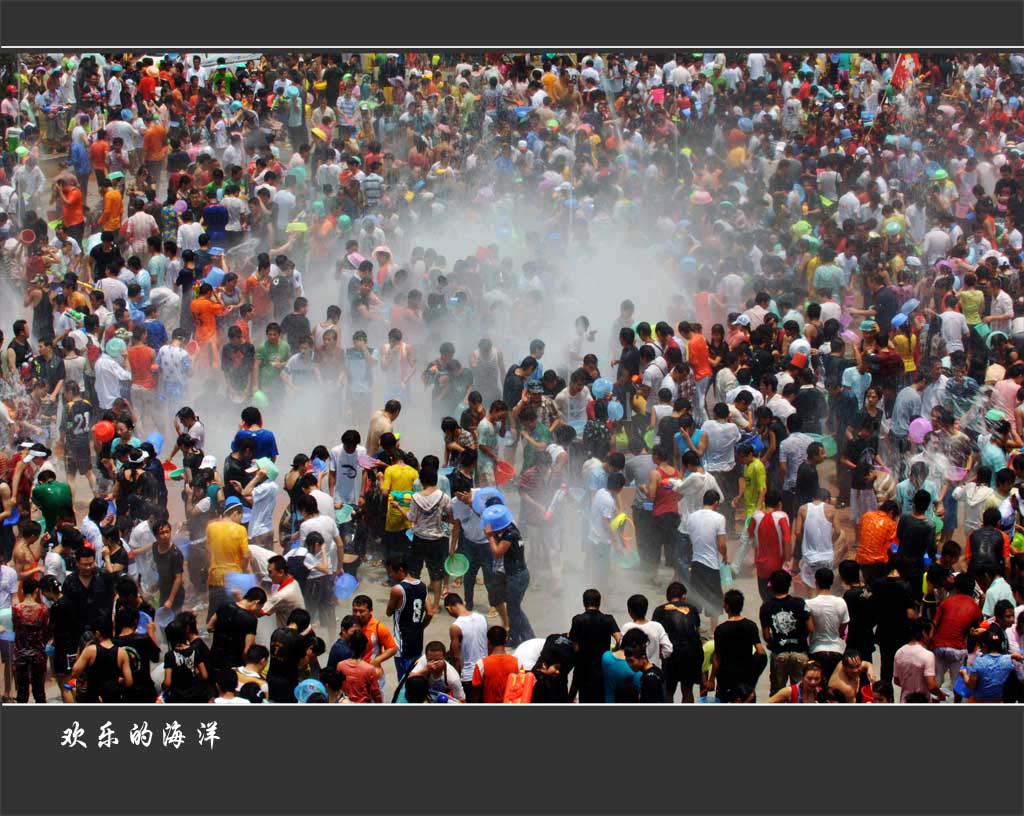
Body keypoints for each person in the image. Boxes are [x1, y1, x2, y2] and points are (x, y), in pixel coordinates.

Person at [759, 569, 813, 695]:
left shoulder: (766, 607)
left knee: (778, 694)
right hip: (800, 652)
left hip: (779, 654)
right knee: (801, 693)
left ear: (771, 586)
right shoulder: (800, 603)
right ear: (789, 585)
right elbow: (811, 628)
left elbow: (766, 636)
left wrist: (774, 641)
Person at [710, 589, 765, 702]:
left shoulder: (721, 629)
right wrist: (751, 665)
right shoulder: (751, 626)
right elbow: (760, 651)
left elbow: (717, 658)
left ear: (727, 606)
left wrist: (711, 680)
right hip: (745, 678)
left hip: (725, 679)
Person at [569, 588, 621, 702]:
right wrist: (614, 652)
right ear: (599, 602)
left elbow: (574, 646)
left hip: (583, 668)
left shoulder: (578, 620)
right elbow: (619, 639)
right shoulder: (608, 619)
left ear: (584, 602)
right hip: (602, 667)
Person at [385, 558, 430, 681]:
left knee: (403, 681)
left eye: (391, 572)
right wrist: (420, 627)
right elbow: (430, 612)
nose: (390, 575)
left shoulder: (397, 589)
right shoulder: (422, 586)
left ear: (400, 570)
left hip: (402, 642)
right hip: (417, 640)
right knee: (415, 675)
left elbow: (388, 612)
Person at [805, 568, 850, 682]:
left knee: (817, 685)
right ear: (832, 582)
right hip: (837, 650)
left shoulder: (808, 603)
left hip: (816, 650)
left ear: (816, 582)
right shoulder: (841, 602)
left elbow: (808, 629)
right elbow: (842, 629)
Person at [893, 619, 945, 703]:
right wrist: (941, 695)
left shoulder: (899, 652)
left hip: (904, 701)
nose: (933, 636)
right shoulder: (928, 655)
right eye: (932, 632)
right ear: (924, 633)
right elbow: (931, 686)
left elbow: (896, 680)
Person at [469, 625, 520, 703]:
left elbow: (476, 695)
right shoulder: (518, 663)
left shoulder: (481, 664)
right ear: (506, 640)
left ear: (488, 641)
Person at [622, 628, 668, 702]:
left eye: (632, 661)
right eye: (627, 661)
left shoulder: (650, 680)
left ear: (643, 658)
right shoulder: (656, 671)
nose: (629, 665)